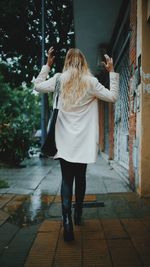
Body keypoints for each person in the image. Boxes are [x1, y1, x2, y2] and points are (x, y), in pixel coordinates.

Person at [34, 47, 119, 242]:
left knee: (66, 179)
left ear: (67, 62)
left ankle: (66, 221)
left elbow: (37, 86)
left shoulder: (58, 79)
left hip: (64, 140)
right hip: (83, 140)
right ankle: (78, 214)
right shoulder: (91, 82)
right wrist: (111, 72)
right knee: (80, 177)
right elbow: (113, 97)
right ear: (83, 62)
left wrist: (47, 65)